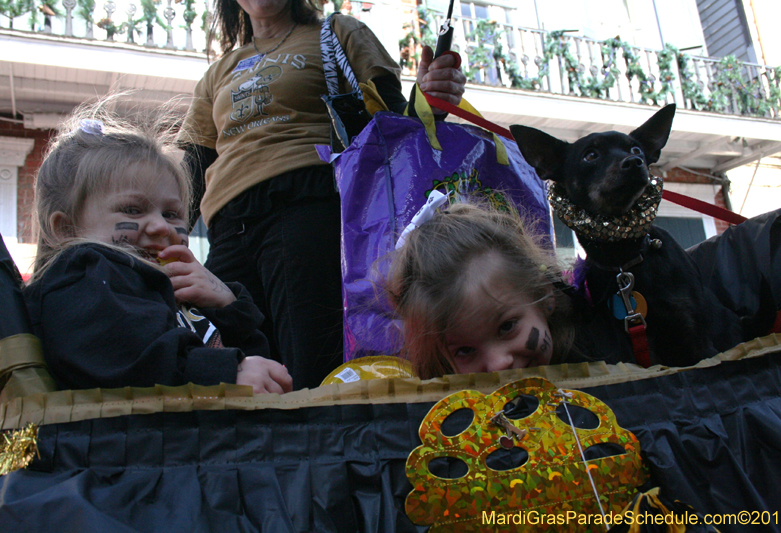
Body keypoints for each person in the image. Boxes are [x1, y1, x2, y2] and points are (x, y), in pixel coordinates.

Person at [179, 0, 467, 390]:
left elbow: (394, 125)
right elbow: (194, 167)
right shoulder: (217, 72)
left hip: (307, 205)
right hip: (227, 227)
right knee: (233, 367)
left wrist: (430, 99)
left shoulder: (338, 32)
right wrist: (167, 232)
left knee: (310, 362)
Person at [25, 105, 292, 394]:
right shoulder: (83, 276)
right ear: (66, 229)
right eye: (132, 210)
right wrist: (224, 373)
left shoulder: (177, 292)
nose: (160, 227)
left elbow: (260, 366)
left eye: (171, 214)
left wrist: (227, 307)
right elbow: (126, 360)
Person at [385, 203, 574, 380]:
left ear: (543, 294)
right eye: (465, 350)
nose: (498, 364)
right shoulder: (442, 409)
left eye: (507, 327)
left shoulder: (599, 362)